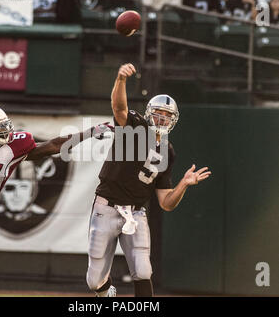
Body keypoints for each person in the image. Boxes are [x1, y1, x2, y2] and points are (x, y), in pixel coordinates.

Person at [0, 105, 112, 297]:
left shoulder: (16, 146)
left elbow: (53, 145)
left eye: (5, 127)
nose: (4, 133)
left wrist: (90, 132)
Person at [86, 63, 212, 297]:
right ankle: (107, 294)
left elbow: (166, 203)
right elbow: (119, 108)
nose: (162, 120)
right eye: (158, 114)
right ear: (148, 113)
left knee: (143, 271)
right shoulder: (134, 126)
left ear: (173, 121)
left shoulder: (168, 151)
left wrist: (183, 184)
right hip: (106, 207)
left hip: (136, 213)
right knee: (94, 281)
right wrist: (121, 79)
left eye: (167, 117)